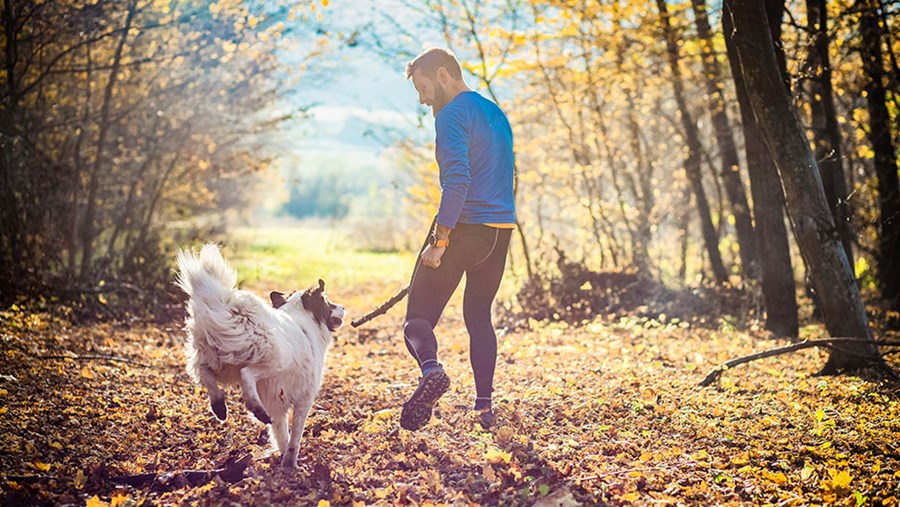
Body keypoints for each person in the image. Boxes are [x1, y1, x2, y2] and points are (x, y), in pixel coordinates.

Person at [399, 48, 516, 431]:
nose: (422, 99)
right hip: (500, 232)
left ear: (444, 74)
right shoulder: (495, 113)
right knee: (479, 317)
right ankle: (484, 408)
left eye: (423, 87)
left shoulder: (452, 115)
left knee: (417, 320)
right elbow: (508, 175)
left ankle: (431, 370)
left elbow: (458, 180)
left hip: (464, 226)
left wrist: (441, 238)